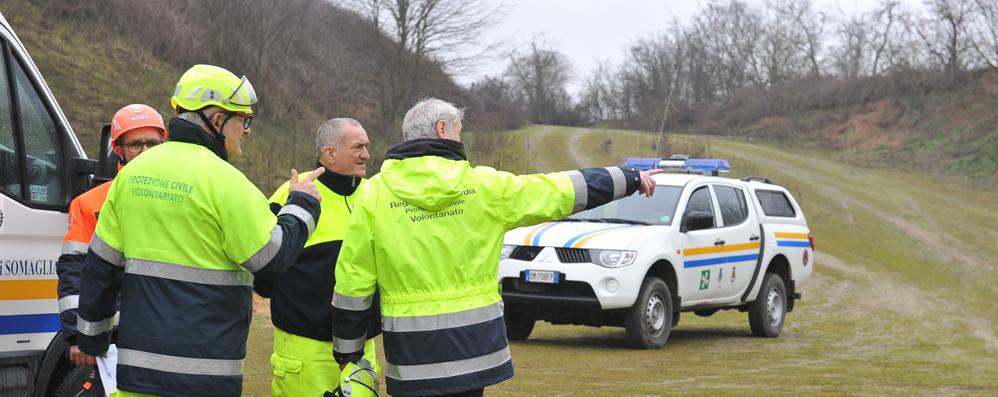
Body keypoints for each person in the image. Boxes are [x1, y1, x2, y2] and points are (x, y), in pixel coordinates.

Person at [331, 98, 660, 397]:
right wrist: (627, 178)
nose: (462, 139)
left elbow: (353, 280)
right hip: (475, 353)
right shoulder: (483, 186)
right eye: (460, 131)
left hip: (412, 357)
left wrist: (348, 353)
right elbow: (558, 191)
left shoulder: (373, 195)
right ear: (442, 129)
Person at [75, 64, 325, 396]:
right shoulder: (228, 183)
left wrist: (91, 340)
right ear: (217, 120)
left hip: (137, 376)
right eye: (244, 120)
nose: (247, 130)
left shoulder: (131, 177)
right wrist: (301, 206)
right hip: (207, 376)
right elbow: (270, 261)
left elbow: (100, 268)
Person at [255, 118, 382, 396]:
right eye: (358, 147)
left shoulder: (376, 196)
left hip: (362, 351)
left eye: (367, 146)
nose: (366, 155)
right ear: (330, 154)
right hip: (305, 352)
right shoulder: (293, 193)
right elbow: (262, 274)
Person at [56, 103, 167, 395]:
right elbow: (74, 272)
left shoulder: (182, 199)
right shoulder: (89, 204)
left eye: (153, 144)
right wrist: (77, 335)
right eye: (135, 144)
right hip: (113, 339)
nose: (145, 151)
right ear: (118, 149)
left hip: (169, 334)